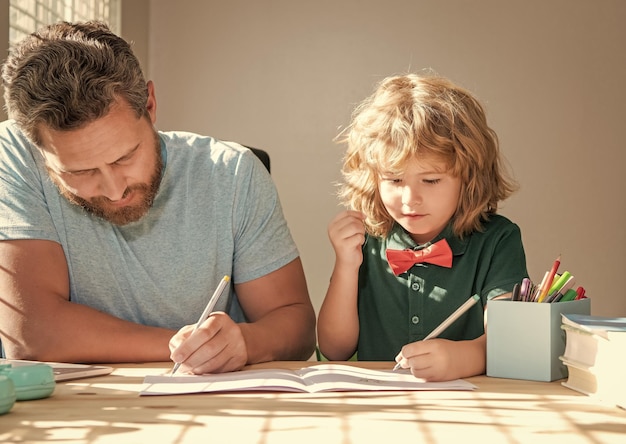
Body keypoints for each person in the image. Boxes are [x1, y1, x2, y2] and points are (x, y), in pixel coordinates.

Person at [0, 21, 316, 374]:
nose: (114, 189)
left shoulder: (232, 171)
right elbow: (32, 335)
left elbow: (296, 325)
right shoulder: (13, 152)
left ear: (150, 105)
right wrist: (186, 349)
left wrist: (245, 343)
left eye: (125, 157)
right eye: (80, 172)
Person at [317, 73, 528, 382]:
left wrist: (464, 358)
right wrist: (346, 264)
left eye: (430, 180)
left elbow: (510, 341)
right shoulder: (366, 240)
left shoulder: (498, 241)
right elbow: (334, 349)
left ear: (468, 177)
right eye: (394, 179)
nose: (410, 198)